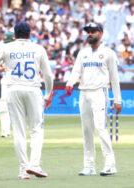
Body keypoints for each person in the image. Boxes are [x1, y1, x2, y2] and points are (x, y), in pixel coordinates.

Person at [0, 22, 54, 179]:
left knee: (18, 130)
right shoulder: (38, 49)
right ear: (30, 33)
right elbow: (48, 75)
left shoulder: (6, 47)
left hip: (13, 90)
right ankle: (34, 165)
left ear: (15, 35)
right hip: (33, 90)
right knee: (36, 129)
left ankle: (24, 170)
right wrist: (48, 94)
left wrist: (2, 60)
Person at [65, 22, 122, 176]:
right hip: (83, 93)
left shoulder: (108, 53)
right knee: (87, 130)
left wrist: (118, 100)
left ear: (100, 34)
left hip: (100, 93)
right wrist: (70, 83)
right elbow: (76, 70)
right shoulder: (82, 53)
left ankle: (110, 165)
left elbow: (115, 78)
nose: (89, 34)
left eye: (93, 31)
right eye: (88, 31)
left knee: (100, 128)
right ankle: (89, 166)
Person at [0, 32, 15, 138]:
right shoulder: (3, 51)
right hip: (6, 80)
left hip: (18, 80)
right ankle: (5, 131)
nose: (7, 44)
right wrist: (7, 67)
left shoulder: (19, 51)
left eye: (9, 41)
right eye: (6, 42)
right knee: (4, 106)